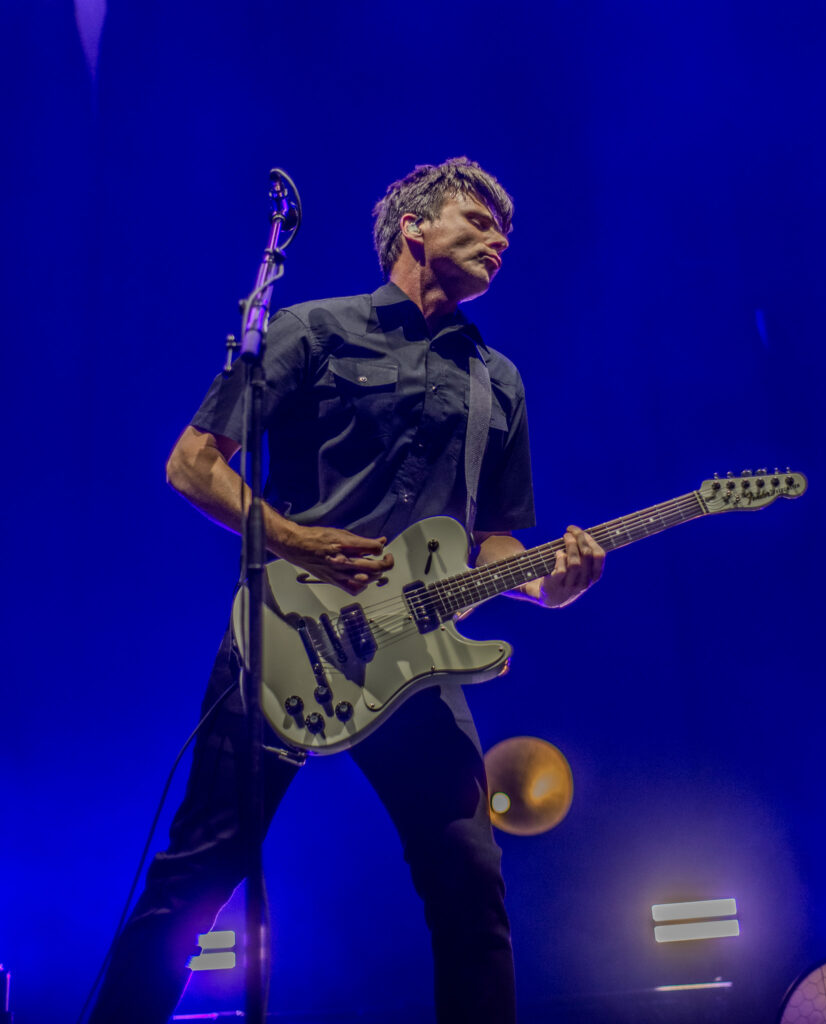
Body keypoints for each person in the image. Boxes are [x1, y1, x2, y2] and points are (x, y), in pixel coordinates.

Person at [88, 157, 606, 1024]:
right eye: (478, 221)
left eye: (506, 233)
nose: (499, 241)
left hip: (415, 661)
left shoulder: (499, 381)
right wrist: (298, 542)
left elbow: (493, 541)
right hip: (288, 636)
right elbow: (192, 465)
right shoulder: (311, 330)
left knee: (470, 884)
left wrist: (544, 584)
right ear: (414, 227)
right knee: (200, 873)